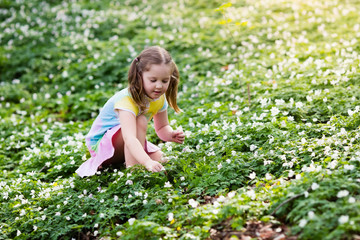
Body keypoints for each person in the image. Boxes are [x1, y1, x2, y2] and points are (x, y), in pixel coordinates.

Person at [76, 46, 185, 177]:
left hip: (127, 143)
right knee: (141, 121)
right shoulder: (127, 100)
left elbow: (162, 127)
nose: (159, 86)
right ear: (140, 76)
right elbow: (129, 138)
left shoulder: (160, 99)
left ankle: (136, 163)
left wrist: (171, 134)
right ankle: (133, 171)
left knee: (162, 159)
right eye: (153, 80)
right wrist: (146, 161)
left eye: (165, 80)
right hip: (103, 147)